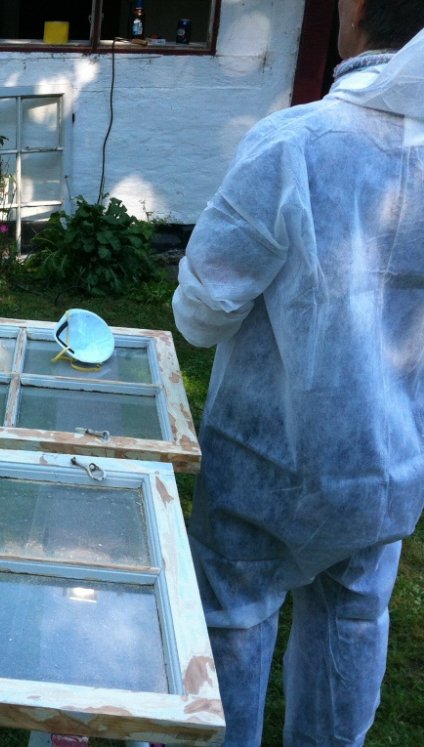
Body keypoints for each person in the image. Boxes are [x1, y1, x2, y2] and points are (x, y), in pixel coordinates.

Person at [172, 0, 424, 743]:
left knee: (235, 617)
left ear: (356, 10)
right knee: (354, 616)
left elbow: (203, 310)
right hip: (389, 463)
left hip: (267, 460)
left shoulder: (295, 142)